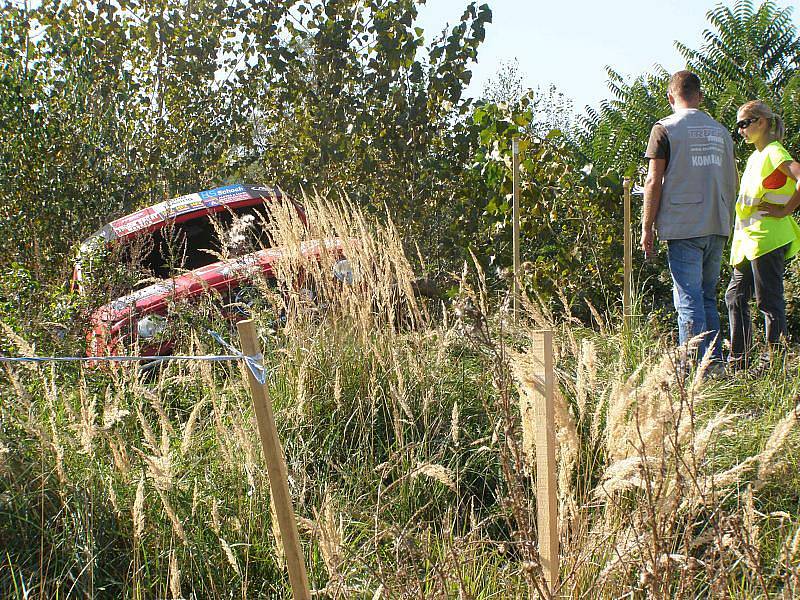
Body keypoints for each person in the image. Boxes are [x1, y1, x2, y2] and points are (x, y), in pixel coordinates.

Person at [641, 70, 738, 365]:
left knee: (688, 299)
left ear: (671, 97)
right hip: (718, 222)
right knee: (707, 296)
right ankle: (715, 364)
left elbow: (653, 182)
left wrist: (646, 228)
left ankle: (695, 369)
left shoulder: (665, 129)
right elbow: (732, 178)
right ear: (700, 97)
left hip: (684, 224)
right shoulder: (721, 131)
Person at [725, 100, 800, 369]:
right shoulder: (756, 156)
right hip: (749, 241)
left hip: (767, 238)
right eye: (738, 125)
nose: (741, 130)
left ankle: (773, 363)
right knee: (735, 296)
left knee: (768, 301)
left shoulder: (773, 152)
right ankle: (739, 361)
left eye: (745, 123)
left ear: (762, 122)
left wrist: (785, 210)